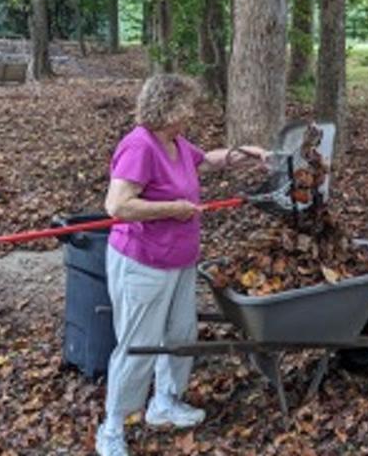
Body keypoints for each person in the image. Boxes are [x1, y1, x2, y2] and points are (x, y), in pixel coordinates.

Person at [95, 74, 269, 456]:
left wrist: (249, 154)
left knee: (180, 335)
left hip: (180, 261)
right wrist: (171, 209)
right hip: (143, 263)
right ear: (168, 108)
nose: (191, 113)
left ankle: (165, 403)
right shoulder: (139, 146)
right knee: (139, 345)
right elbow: (117, 205)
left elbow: (206, 160)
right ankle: (112, 427)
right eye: (186, 106)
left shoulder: (172, 141)